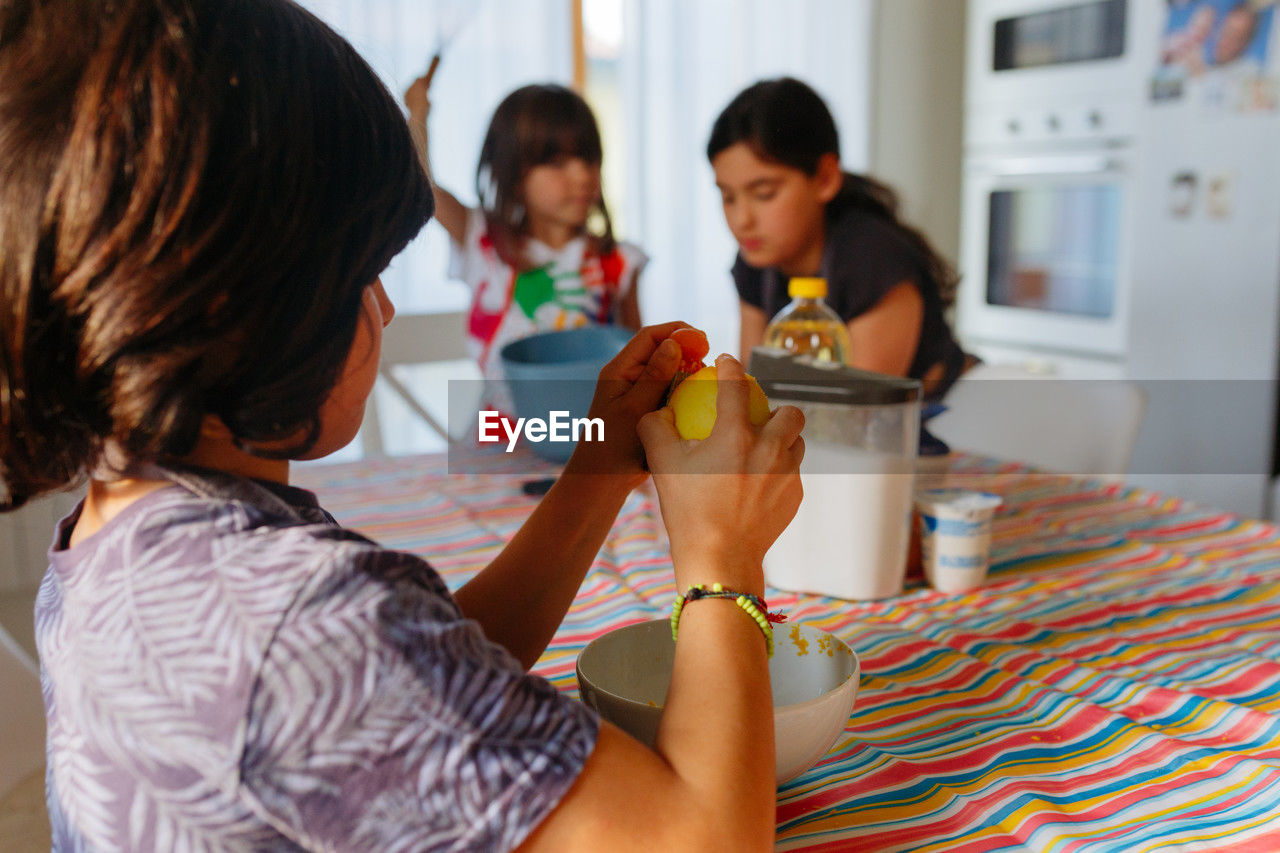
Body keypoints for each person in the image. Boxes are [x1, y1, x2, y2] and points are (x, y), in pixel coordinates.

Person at [0, 2, 805, 850]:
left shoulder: (121, 538)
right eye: (365, 272)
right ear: (235, 301)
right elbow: (703, 838)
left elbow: (426, 675)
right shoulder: (302, 624)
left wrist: (598, 467)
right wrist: (722, 560)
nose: (383, 303)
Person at [707, 77, 971, 400]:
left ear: (825, 179)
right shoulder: (754, 258)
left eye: (764, 193)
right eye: (728, 197)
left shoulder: (874, 257)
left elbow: (856, 410)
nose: (741, 220)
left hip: (953, 408)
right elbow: (753, 388)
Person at [404, 76, 645, 384]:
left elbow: (640, 367)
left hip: (589, 430)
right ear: (513, 174)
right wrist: (417, 115)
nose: (582, 174)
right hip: (498, 431)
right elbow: (422, 186)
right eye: (557, 162)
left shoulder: (620, 262)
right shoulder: (483, 240)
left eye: (588, 158)